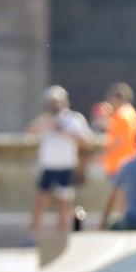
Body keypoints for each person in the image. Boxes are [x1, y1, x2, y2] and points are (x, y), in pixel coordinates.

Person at [27, 86, 92, 235]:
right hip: (48, 166)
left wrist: (62, 131)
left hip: (66, 167)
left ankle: (62, 235)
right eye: (52, 102)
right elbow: (30, 132)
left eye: (57, 101)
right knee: (40, 202)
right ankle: (33, 235)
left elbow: (86, 140)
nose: (55, 105)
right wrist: (46, 124)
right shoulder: (44, 119)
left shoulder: (73, 119)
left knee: (64, 204)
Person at [100, 83, 136, 183]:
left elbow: (119, 141)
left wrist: (103, 154)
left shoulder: (122, 116)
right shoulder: (131, 112)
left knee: (120, 197)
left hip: (119, 165)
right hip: (129, 163)